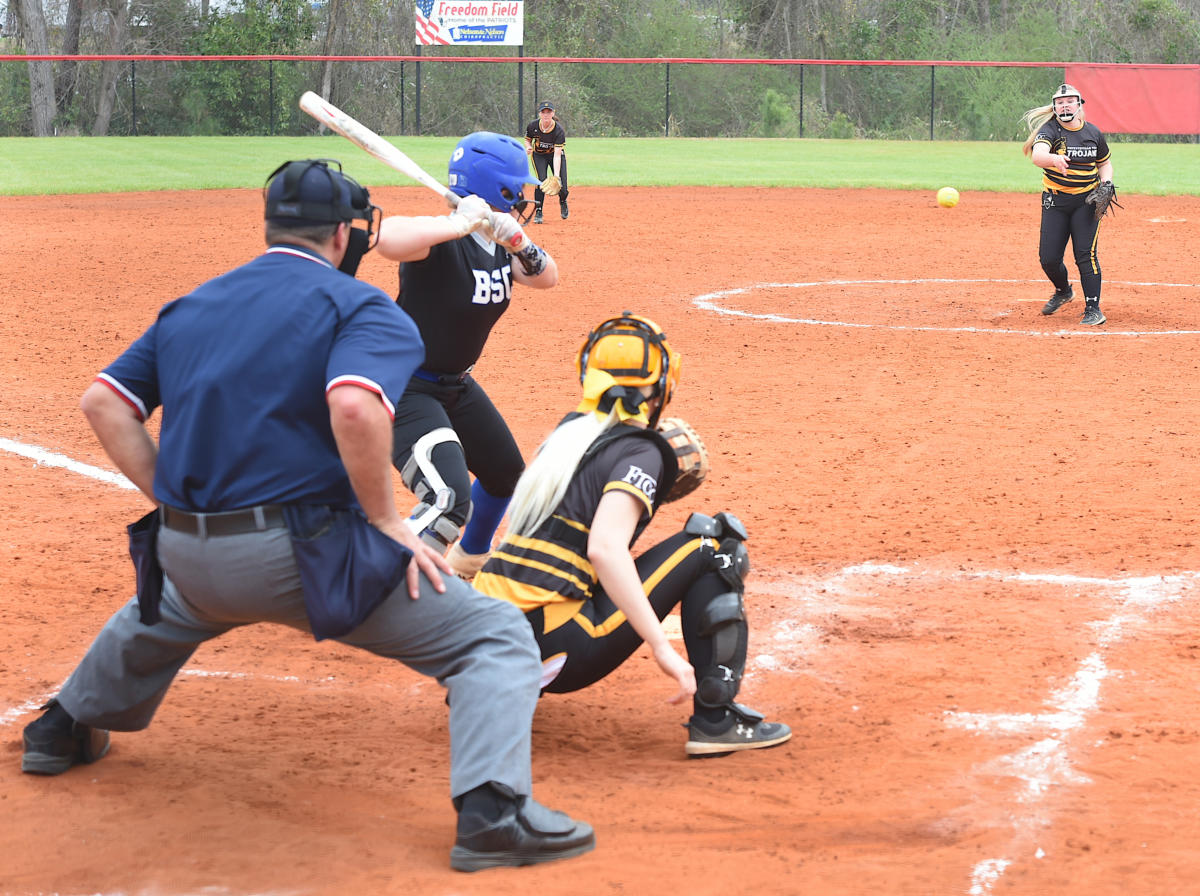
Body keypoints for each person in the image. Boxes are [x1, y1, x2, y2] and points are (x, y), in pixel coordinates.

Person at [19, 159, 593, 872]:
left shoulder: (192, 304)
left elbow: (103, 404)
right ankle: (493, 814)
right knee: (496, 636)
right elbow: (354, 405)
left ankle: (62, 727)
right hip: (306, 558)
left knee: (165, 605)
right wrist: (387, 526)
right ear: (346, 235)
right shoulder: (361, 309)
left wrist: (173, 501)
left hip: (188, 553)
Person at [473, 312, 791, 757]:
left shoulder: (565, 436)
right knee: (714, 545)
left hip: (482, 644)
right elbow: (604, 549)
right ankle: (716, 719)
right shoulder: (641, 451)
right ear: (660, 385)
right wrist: (660, 647)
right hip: (556, 649)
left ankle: (498, 694)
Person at [374, 131, 555, 581]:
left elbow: (547, 278)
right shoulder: (436, 242)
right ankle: (376, 583)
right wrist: (459, 224)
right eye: (519, 189)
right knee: (450, 498)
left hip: (455, 384)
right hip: (405, 387)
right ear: (499, 190)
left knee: (506, 474)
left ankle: (467, 563)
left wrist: (518, 242)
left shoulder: (496, 242)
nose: (526, 198)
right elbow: (386, 237)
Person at [1021, 82, 1115, 327]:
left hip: (1087, 202)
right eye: (1060, 102)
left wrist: (1106, 183)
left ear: (1079, 104)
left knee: (1085, 255)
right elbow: (1037, 155)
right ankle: (1063, 291)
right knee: (1048, 259)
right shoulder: (1049, 130)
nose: (1065, 105)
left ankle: (1093, 308)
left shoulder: (1093, 133)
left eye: (1069, 101)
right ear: (1054, 107)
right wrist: (1054, 158)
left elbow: (1104, 163)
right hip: (1056, 202)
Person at [524, 100, 569, 224]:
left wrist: (556, 176)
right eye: (543, 112)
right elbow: (528, 140)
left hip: (555, 155)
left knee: (562, 186)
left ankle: (563, 201)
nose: (546, 115)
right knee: (541, 182)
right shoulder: (533, 126)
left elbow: (557, 155)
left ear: (553, 113)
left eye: (548, 112)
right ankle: (539, 211)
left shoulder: (558, 130)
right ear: (539, 114)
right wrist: (528, 147)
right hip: (539, 155)